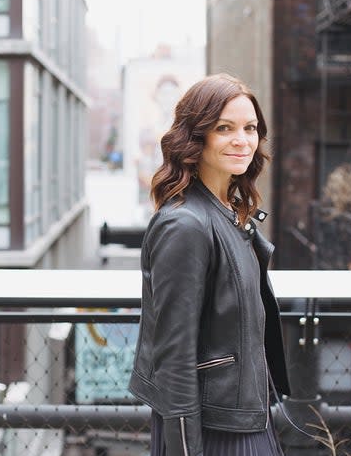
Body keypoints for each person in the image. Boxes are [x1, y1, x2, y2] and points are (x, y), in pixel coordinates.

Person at [128, 73, 291, 456]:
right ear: (196, 137)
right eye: (224, 128)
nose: (242, 140)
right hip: (211, 429)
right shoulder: (185, 224)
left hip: (246, 416)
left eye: (250, 128)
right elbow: (174, 354)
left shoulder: (228, 213)